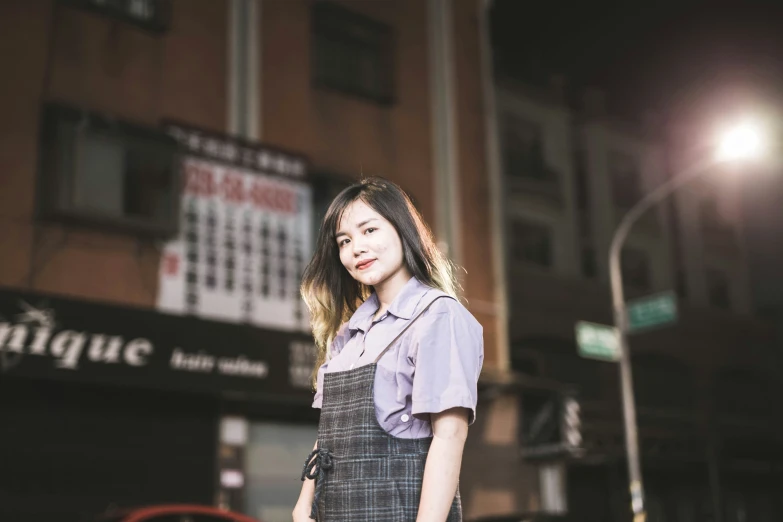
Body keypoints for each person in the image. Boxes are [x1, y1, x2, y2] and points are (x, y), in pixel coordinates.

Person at [293, 177, 484, 522]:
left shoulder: (437, 314)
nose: (356, 248)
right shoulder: (348, 335)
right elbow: (328, 437)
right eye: (345, 241)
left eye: (369, 231)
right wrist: (303, 505)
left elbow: (450, 433)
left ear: (402, 228)